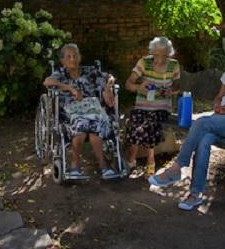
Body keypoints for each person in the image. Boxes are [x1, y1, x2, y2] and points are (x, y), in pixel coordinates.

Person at [148, 31, 225, 210]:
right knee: (204, 139)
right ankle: (195, 194)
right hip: (221, 118)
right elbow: (219, 96)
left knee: (200, 123)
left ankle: (177, 167)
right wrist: (217, 105)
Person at [43, 43, 120, 180]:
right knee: (81, 124)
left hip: (92, 108)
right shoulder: (60, 74)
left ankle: (103, 165)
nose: (72, 59)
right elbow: (47, 82)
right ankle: (75, 165)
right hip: (72, 110)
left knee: (97, 123)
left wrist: (107, 88)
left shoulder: (90, 71)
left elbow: (110, 77)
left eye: (75, 55)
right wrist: (69, 88)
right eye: (69, 56)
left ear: (80, 57)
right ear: (62, 61)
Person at [124, 37, 181, 175]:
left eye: (163, 55)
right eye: (156, 54)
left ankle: (145, 161)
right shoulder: (144, 62)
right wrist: (139, 87)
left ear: (169, 54)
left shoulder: (174, 65)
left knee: (149, 124)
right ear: (151, 52)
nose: (159, 58)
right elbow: (128, 84)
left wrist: (171, 90)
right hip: (142, 106)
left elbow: (177, 85)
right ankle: (139, 161)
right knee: (134, 125)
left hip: (162, 107)